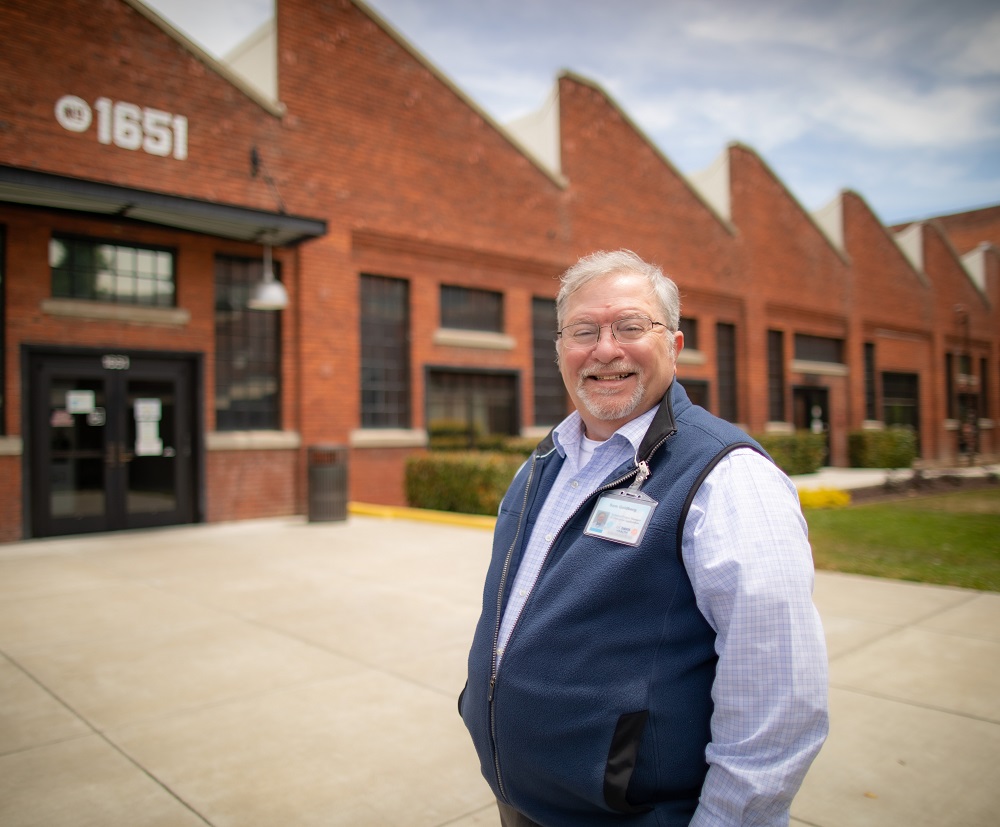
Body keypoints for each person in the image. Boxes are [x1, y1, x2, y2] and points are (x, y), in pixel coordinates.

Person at [459, 250, 829, 826]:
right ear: (560, 350)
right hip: (524, 799)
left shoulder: (728, 477)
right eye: (584, 331)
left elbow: (778, 695)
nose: (606, 349)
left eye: (630, 327)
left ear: (675, 347)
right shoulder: (543, 462)